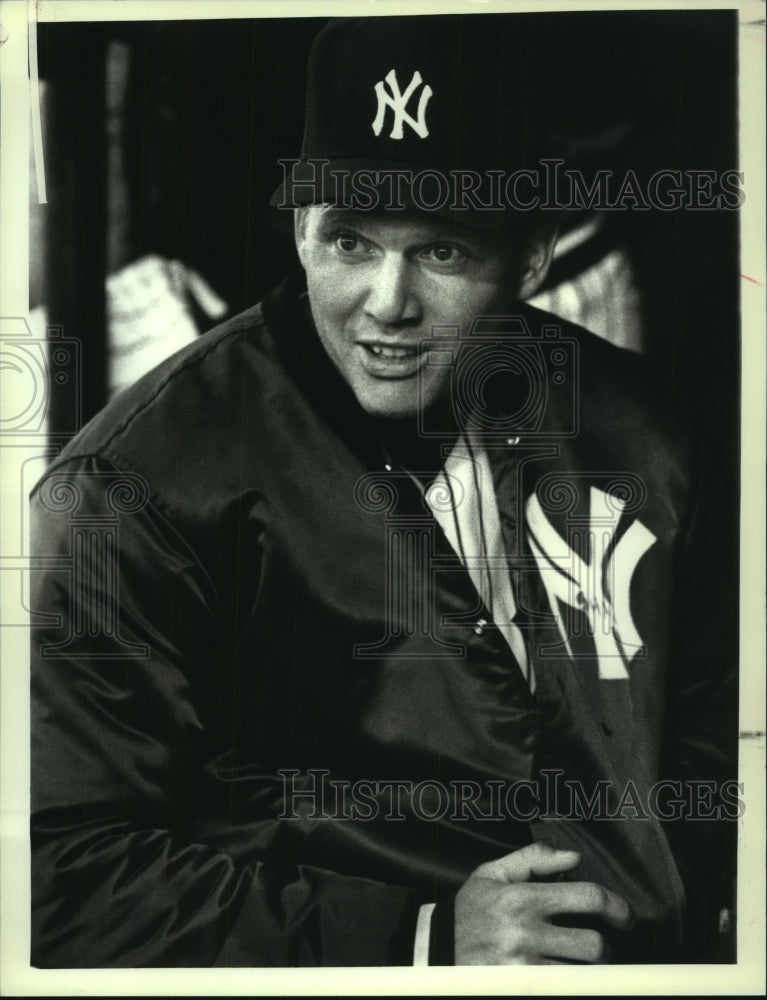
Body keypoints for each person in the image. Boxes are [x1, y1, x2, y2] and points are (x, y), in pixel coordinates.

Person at [30, 14, 736, 967]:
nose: (387, 303)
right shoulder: (135, 484)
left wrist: (698, 905)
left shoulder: (644, 431)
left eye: (441, 251)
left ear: (532, 255)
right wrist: (418, 942)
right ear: (299, 224)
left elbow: (721, 731)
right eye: (350, 241)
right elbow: (58, 877)